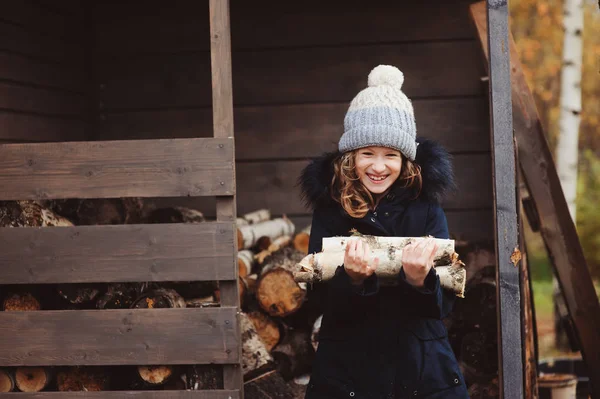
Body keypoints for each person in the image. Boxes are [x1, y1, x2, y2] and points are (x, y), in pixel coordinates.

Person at [299, 65, 468, 399]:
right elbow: (318, 300)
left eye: (390, 155)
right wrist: (353, 280)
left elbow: (442, 307)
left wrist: (420, 281)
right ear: (351, 157)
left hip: (418, 368)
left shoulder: (427, 209)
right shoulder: (330, 211)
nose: (378, 167)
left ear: (405, 159)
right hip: (350, 369)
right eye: (367, 154)